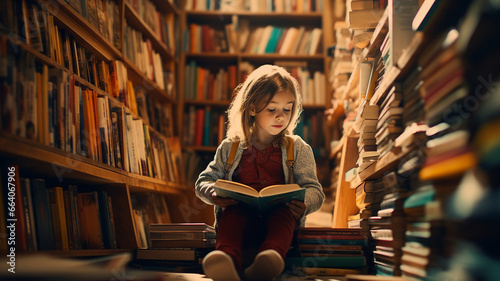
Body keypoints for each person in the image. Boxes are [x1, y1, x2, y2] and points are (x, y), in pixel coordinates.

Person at [195, 64, 325, 281]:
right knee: (233, 215)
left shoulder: (298, 147)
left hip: (278, 222)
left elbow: (315, 190)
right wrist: (213, 193)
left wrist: (304, 205)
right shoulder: (231, 147)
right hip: (240, 220)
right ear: (252, 108)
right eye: (272, 109)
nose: (280, 117)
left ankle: (270, 259)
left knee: (283, 214)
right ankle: (225, 259)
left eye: (287, 109)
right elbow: (203, 181)